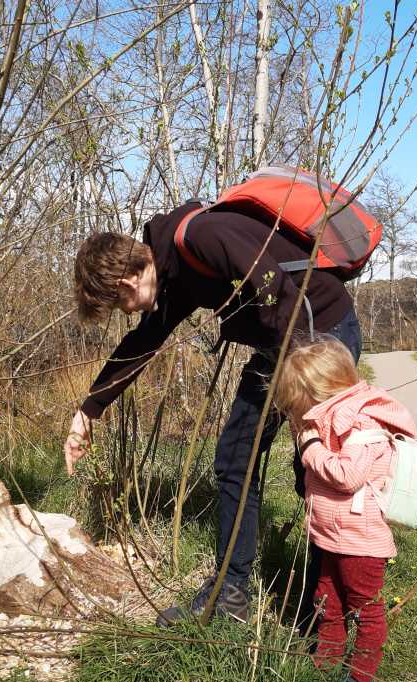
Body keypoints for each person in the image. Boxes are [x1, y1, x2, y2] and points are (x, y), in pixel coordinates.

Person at [64, 202, 361, 625]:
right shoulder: (174, 273)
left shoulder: (203, 237)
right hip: (283, 343)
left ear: (127, 280)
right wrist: (88, 412)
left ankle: (328, 603)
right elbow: (144, 341)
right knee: (236, 459)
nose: (127, 313)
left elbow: (279, 294)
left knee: (316, 467)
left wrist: (302, 397)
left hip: (319, 336)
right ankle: (230, 595)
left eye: (120, 305)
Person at [274, 336, 416, 682]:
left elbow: (348, 477)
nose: (298, 413)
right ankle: (326, 661)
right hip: (332, 535)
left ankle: (360, 676)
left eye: (299, 403)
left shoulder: (364, 425)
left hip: (360, 541)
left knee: (363, 606)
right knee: (327, 600)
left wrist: (309, 446)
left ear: (319, 391)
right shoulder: (332, 419)